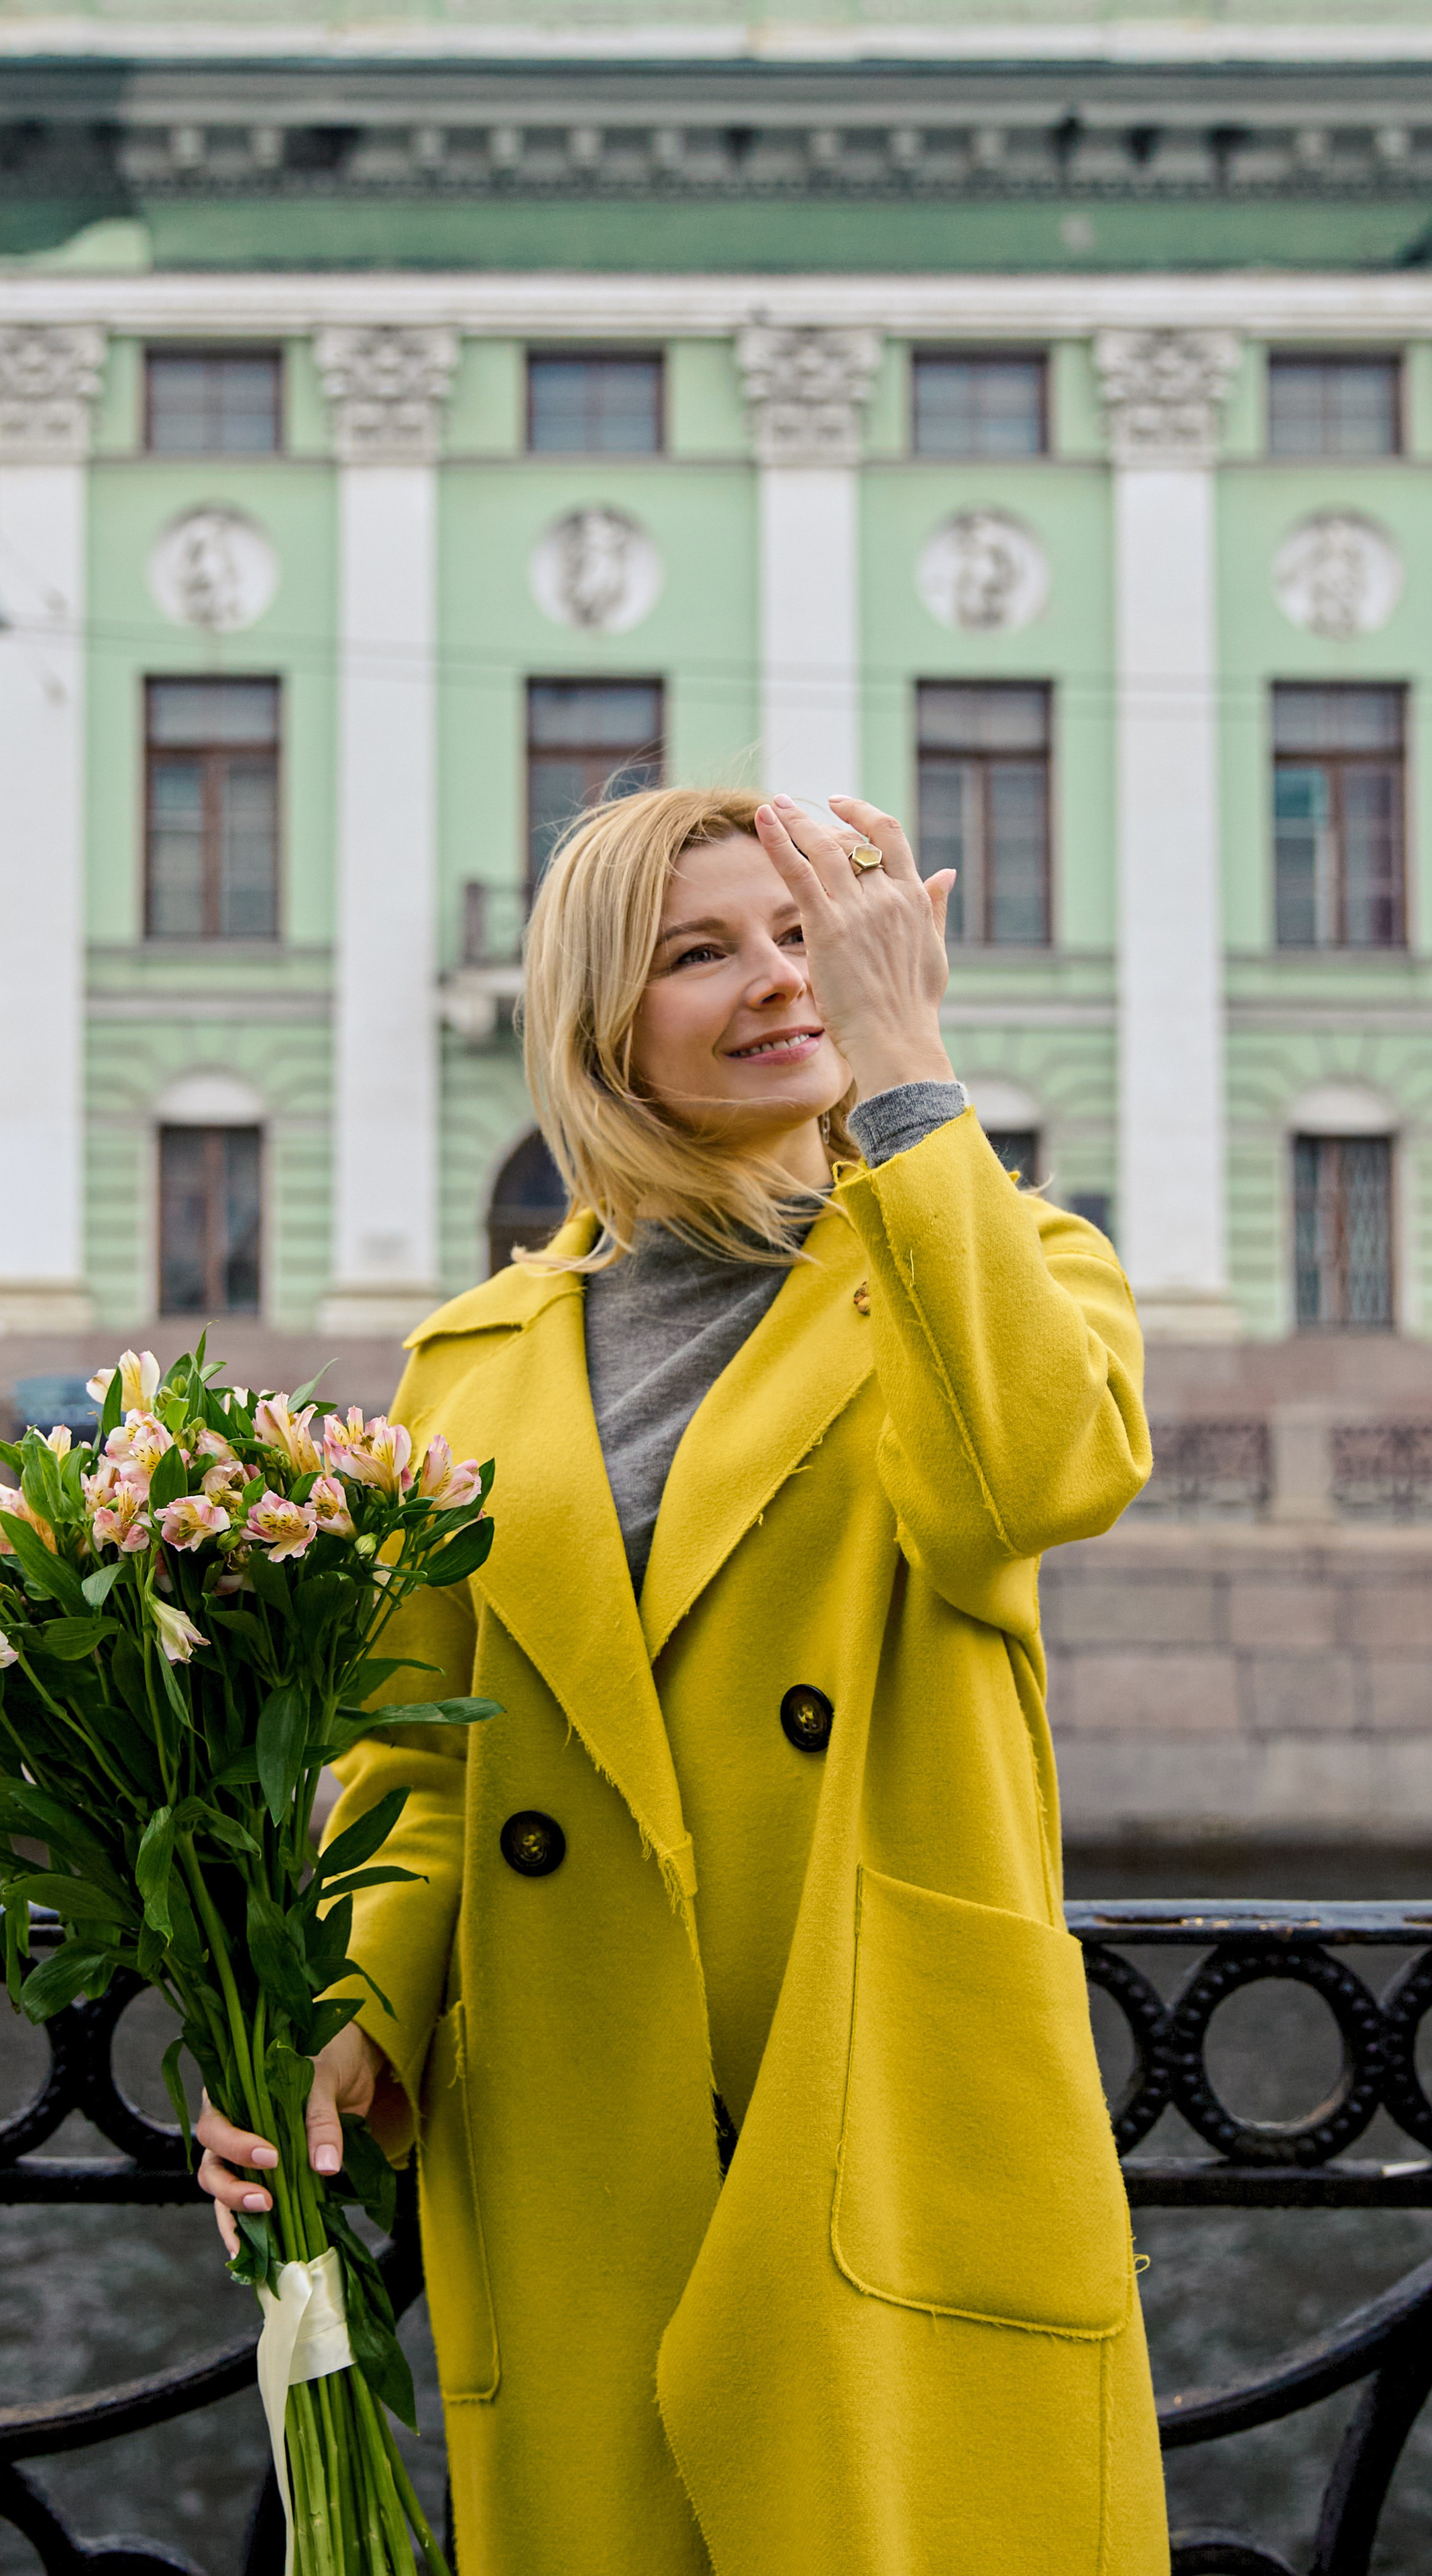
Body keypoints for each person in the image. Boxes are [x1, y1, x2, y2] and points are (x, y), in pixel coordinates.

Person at [199, 789, 1168, 2576]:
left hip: (879, 2096)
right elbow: (421, 1775)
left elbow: (1028, 1483)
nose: (783, 978)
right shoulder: (470, 1364)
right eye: (703, 951)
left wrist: (909, 1071)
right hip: (578, 2125)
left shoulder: (1004, 1261)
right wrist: (347, 2013)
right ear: (600, 1025)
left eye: (804, 935)